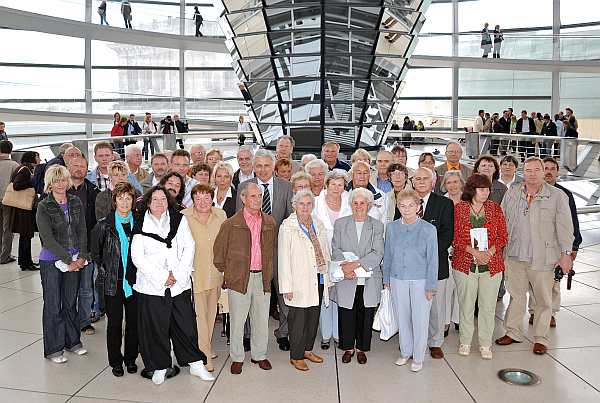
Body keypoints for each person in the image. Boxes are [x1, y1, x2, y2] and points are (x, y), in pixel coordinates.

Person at [131, 186, 214, 384]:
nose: (160, 203)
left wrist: (175, 274)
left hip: (179, 283)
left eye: (163, 199)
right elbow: (137, 256)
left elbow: (189, 247)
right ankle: (159, 366)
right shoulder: (140, 223)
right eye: (155, 199)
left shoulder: (179, 219)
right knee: (155, 328)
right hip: (152, 286)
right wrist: (162, 277)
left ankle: (195, 364)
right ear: (148, 203)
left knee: (186, 326)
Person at [495, 157, 574, 355]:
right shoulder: (512, 194)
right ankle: (513, 332)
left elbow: (565, 227)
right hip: (515, 256)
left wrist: (566, 254)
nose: (532, 173)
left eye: (536, 170)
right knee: (516, 297)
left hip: (543, 258)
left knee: (543, 300)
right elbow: (501, 223)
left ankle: (541, 338)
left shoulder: (557, 196)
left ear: (542, 172)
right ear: (523, 172)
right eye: (528, 170)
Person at [214, 182, 277, 374]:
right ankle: (237, 357)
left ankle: (260, 355)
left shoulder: (270, 222)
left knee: (260, 320)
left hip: (262, 278)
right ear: (243, 198)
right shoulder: (231, 224)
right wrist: (230, 273)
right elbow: (218, 254)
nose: (257, 200)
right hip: (239, 279)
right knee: (238, 321)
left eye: (259, 196)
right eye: (252, 196)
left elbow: (272, 250)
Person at [236, 149, 294, 351]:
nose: (262, 169)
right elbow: (238, 222)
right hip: (252, 253)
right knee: (250, 295)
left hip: (279, 251)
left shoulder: (286, 186)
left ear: (274, 165)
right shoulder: (244, 187)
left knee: (283, 293)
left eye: (267, 165)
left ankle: (284, 333)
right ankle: (247, 334)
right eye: (258, 165)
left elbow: (290, 219)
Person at [36, 165, 89, 363]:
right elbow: (47, 239)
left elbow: (82, 230)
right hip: (51, 262)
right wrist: (68, 260)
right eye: (56, 180)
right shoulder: (44, 205)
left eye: (63, 180)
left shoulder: (75, 202)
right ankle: (53, 349)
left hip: (75, 260)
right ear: (50, 183)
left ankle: (72, 341)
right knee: (53, 305)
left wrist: (82, 256)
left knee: (69, 303)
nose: (60, 184)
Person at [452, 174, 507, 360]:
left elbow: (502, 237)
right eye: (482, 189)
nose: (486, 193)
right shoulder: (460, 209)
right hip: (465, 265)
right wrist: (475, 253)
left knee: (488, 307)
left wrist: (489, 253)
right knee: (466, 306)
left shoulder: (495, 208)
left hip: (491, 266)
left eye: (488, 189)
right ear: (472, 189)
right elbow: (456, 239)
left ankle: (485, 344)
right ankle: (465, 341)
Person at [384, 190, 438, 372]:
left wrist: (431, 286)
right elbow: (388, 255)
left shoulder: (428, 230)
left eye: (411, 205)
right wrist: (386, 279)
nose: (406, 209)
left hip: (421, 281)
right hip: (397, 279)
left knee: (420, 319)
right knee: (402, 318)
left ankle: (418, 356)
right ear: (398, 207)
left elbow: (433, 260)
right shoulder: (391, 228)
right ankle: (405, 352)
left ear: (418, 207)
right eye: (402, 205)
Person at [527, 157, 583, 328]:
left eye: (553, 168)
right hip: (534, 248)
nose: (549, 171)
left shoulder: (564, 194)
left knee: (554, 283)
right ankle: (534, 311)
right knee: (535, 283)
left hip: (556, 248)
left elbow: (572, 222)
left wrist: (573, 247)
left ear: (557, 172)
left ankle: (550, 312)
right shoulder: (530, 191)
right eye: (546, 168)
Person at [278, 189, 330, 371]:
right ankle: (296, 355)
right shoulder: (288, 227)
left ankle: (308, 349)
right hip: (298, 280)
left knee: (313, 318)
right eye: (301, 204)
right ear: (295, 206)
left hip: (319, 277)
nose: (305, 207)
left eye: (309, 204)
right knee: (298, 320)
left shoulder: (318, 223)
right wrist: (287, 286)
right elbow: (283, 259)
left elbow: (325, 250)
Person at [91, 182, 138, 377]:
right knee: (115, 324)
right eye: (121, 198)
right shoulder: (104, 224)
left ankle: (131, 358)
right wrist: (106, 272)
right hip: (114, 282)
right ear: (114, 200)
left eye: (128, 198)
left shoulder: (141, 223)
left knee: (134, 323)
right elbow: (96, 253)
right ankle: (116, 361)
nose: (125, 202)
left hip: (137, 282)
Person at [332, 188, 384, 364]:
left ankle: (362, 348)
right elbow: (335, 249)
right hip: (347, 277)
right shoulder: (340, 224)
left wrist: (355, 264)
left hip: (368, 278)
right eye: (355, 203)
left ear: (369, 205)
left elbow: (378, 253)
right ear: (351, 204)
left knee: (365, 313)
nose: (359, 206)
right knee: (347, 313)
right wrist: (346, 268)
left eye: (363, 203)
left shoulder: (377, 226)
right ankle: (348, 348)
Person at [410, 167, 454, 359]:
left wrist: (426, 254)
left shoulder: (444, 204)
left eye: (425, 178)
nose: (421, 182)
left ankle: (435, 342)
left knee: (435, 306)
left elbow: (447, 234)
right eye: (417, 178)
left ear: (433, 182)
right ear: (412, 182)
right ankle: (413, 341)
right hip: (410, 266)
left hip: (436, 263)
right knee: (413, 306)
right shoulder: (404, 201)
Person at [182, 184, 227, 372]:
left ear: (212, 198)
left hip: (216, 273)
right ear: (192, 200)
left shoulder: (221, 215)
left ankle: (205, 346)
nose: (202, 202)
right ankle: (205, 356)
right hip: (195, 274)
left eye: (206, 198)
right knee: (200, 317)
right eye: (198, 198)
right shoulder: (185, 217)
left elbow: (225, 243)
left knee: (210, 315)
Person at [313, 169, 351, 349]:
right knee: (324, 294)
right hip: (321, 256)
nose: (337, 188)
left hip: (343, 256)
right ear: (327, 185)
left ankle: (337, 333)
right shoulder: (316, 202)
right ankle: (326, 334)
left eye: (340, 184)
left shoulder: (349, 202)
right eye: (333, 184)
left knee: (340, 294)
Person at [67, 156, 100, 334]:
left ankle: (85, 321)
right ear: (68, 167)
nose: (79, 169)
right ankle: (69, 321)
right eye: (75, 165)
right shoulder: (60, 189)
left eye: (82, 166)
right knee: (68, 289)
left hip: (87, 248)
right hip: (65, 248)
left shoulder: (93, 190)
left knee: (86, 288)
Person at [441, 170, 464, 335]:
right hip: (447, 249)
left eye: (455, 182)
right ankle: (445, 321)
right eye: (449, 183)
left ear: (461, 183)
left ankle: (458, 319)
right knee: (447, 288)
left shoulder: (470, 200)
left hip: (465, 249)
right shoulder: (441, 201)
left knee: (462, 288)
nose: (453, 185)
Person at [10, 151, 40, 271]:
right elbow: (16, 185)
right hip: (24, 209)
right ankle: (25, 263)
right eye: (37, 156)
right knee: (26, 236)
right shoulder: (25, 170)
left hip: (23, 208)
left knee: (26, 236)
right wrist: (32, 182)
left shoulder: (24, 168)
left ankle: (26, 261)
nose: (39, 159)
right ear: (32, 158)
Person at [0, 140, 20, 264]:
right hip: (8, 200)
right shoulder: (14, 165)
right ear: (11, 150)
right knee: (8, 229)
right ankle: (4, 256)